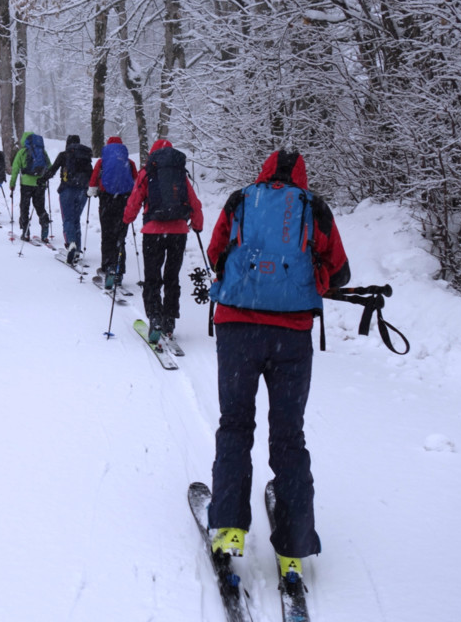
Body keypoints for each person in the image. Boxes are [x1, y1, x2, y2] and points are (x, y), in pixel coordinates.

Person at [203, 149, 350, 595]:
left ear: (264, 171)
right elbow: (340, 271)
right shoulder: (313, 206)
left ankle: (229, 530)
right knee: (288, 437)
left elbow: (215, 254)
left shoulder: (240, 200)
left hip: (237, 330)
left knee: (235, 425)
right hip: (292, 336)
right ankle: (293, 548)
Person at [122, 139, 203, 342]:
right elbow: (194, 202)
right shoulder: (180, 173)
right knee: (172, 277)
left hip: (153, 231)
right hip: (178, 232)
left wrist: (127, 219)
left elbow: (135, 199)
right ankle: (169, 320)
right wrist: (197, 224)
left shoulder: (148, 171)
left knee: (152, 277)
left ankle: (155, 317)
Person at [88, 135, 138, 287]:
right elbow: (136, 182)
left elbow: (93, 180)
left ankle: (107, 268)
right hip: (124, 201)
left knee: (107, 235)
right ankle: (118, 271)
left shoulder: (102, 162)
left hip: (107, 201)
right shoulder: (129, 162)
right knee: (120, 237)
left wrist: (91, 191)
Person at [42, 134, 95, 263]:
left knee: (68, 219)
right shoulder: (85, 156)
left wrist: (42, 179)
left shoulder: (64, 155)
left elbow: (52, 170)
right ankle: (77, 249)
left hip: (67, 190)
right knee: (76, 219)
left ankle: (71, 244)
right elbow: (91, 174)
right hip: (83, 191)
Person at [8, 131, 51, 242]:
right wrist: (44, 178)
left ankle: (26, 232)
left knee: (24, 207)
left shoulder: (22, 152)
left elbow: (15, 169)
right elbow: (50, 166)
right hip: (40, 184)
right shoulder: (42, 151)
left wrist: (12, 184)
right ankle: (45, 228)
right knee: (40, 207)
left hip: (26, 184)